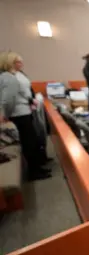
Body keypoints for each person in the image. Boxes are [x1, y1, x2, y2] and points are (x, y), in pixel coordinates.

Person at [0, 51, 51, 180]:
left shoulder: (16, 75)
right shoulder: (8, 77)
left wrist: (31, 100)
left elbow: (24, 92)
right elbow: (8, 99)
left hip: (24, 111)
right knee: (29, 143)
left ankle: (37, 167)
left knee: (32, 141)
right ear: (10, 63)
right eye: (18, 61)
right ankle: (34, 172)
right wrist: (5, 114)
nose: (21, 63)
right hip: (19, 114)